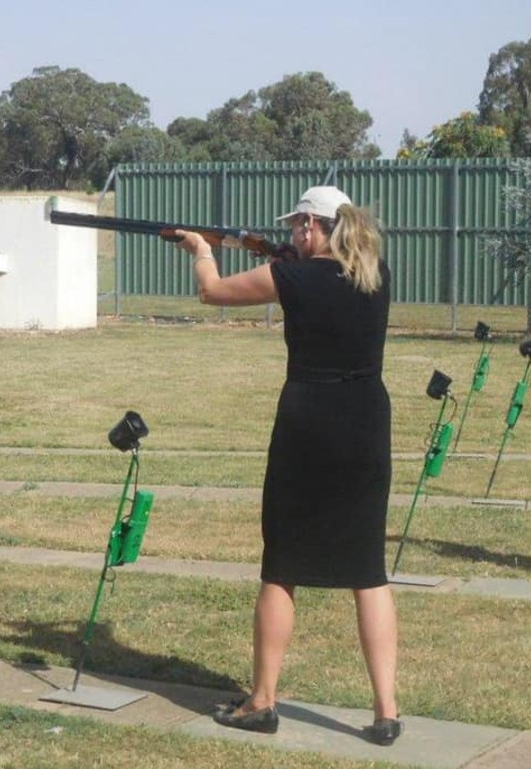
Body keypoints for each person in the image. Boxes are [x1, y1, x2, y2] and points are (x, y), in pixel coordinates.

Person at [173, 186, 401, 745]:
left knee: (283, 564)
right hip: (367, 419)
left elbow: (212, 293)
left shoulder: (295, 279)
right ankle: (386, 710)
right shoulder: (376, 274)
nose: (295, 233)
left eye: (301, 225)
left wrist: (202, 249)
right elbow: (324, 286)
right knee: (367, 571)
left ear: (311, 227)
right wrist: (280, 259)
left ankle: (262, 701)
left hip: (309, 419)